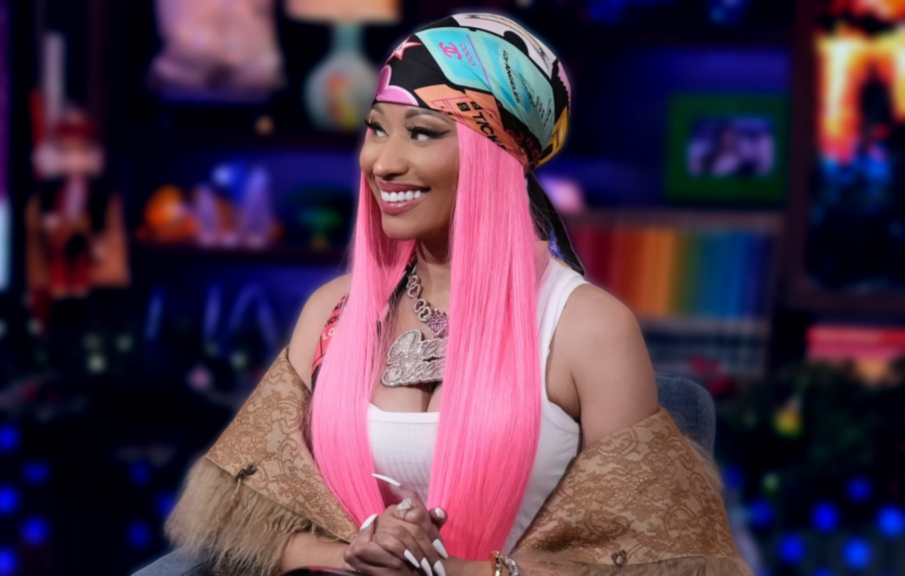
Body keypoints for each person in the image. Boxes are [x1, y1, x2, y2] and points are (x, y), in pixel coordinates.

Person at [165, 13, 750, 576]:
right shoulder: (332, 313)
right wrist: (358, 554)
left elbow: (655, 560)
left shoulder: (589, 329)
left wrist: (448, 569)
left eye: (422, 133)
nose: (383, 162)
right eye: (376, 128)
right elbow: (242, 519)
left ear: (495, 157)